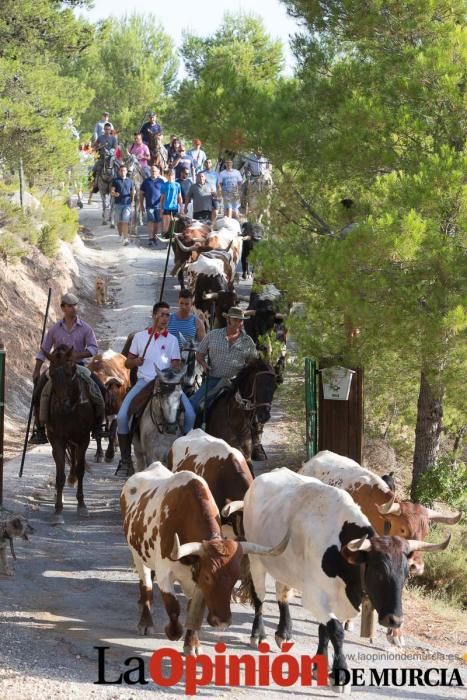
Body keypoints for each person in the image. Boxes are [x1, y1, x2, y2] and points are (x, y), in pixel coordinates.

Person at [116, 302, 195, 474]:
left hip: (167, 382)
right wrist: (136, 362)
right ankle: (125, 459)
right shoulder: (140, 337)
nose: (165, 318)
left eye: (167, 315)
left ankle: (187, 454)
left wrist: (176, 366)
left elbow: (175, 363)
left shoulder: (173, 339)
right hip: (145, 381)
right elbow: (127, 362)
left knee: (190, 413)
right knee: (122, 416)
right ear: (154, 315)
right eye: (162, 314)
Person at [30, 293, 105, 444]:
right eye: (70, 306)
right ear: (63, 307)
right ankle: (39, 430)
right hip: (57, 369)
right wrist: (37, 369)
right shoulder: (54, 329)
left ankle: (98, 426)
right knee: (39, 392)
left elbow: (93, 348)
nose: (73, 308)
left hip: (78, 366)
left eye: (75, 305)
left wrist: (76, 355)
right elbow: (43, 349)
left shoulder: (85, 328)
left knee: (99, 389)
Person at [189, 307, 257, 426]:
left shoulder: (248, 342)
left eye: (240, 320)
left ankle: (254, 439)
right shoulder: (213, 335)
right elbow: (199, 354)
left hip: (236, 383)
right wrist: (204, 365)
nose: (238, 323)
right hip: (213, 380)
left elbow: (252, 364)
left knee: (255, 410)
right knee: (192, 404)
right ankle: (189, 432)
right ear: (228, 320)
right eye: (235, 320)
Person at [88, 123, 118, 204]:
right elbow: (94, 147)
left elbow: (115, 148)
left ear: (110, 130)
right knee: (93, 171)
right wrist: (97, 147)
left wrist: (111, 152)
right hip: (101, 158)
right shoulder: (100, 138)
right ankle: (94, 186)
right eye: (105, 129)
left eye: (108, 129)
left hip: (111, 158)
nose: (107, 131)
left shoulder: (113, 138)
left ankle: (119, 186)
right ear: (104, 130)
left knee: (120, 168)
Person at [139, 165, 165, 243]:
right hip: (149, 205)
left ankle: (155, 237)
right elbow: (141, 194)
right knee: (151, 221)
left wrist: (163, 205)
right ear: (150, 172)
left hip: (159, 206)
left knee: (157, 222)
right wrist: (141, 205)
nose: (153, 172)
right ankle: (150, 238)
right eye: (152, 171)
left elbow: (164, 194)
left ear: (158, 172)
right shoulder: (146, 182)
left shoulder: (161, 181)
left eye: (155, 171)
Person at [111, 164, 134, 246]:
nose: (123, 172)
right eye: (121, 170)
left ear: (126, 171)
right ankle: (120, 235)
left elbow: (132, 192)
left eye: (124, 170)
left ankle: (125, 238)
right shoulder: (115, 180)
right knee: (119, 222)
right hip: (118, 204)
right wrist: (114, 194)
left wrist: (132, 201)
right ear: (119, 171)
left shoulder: (130, 181)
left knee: (125, 221)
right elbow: (112, 191)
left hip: (127, 204)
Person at [159, 169, 182, 237]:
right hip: (166, 206)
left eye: (171, 175)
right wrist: (161, 208)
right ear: (167, 176)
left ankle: (173, 236)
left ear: (174, 175)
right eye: (169, 175)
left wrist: (181, 208)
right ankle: (166, 236)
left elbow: (179, 197)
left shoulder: (177, 185)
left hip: (174, 207)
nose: (170, 176)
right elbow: (162, 198)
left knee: (174, 222)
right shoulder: (164, 185)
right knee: (166, 223)